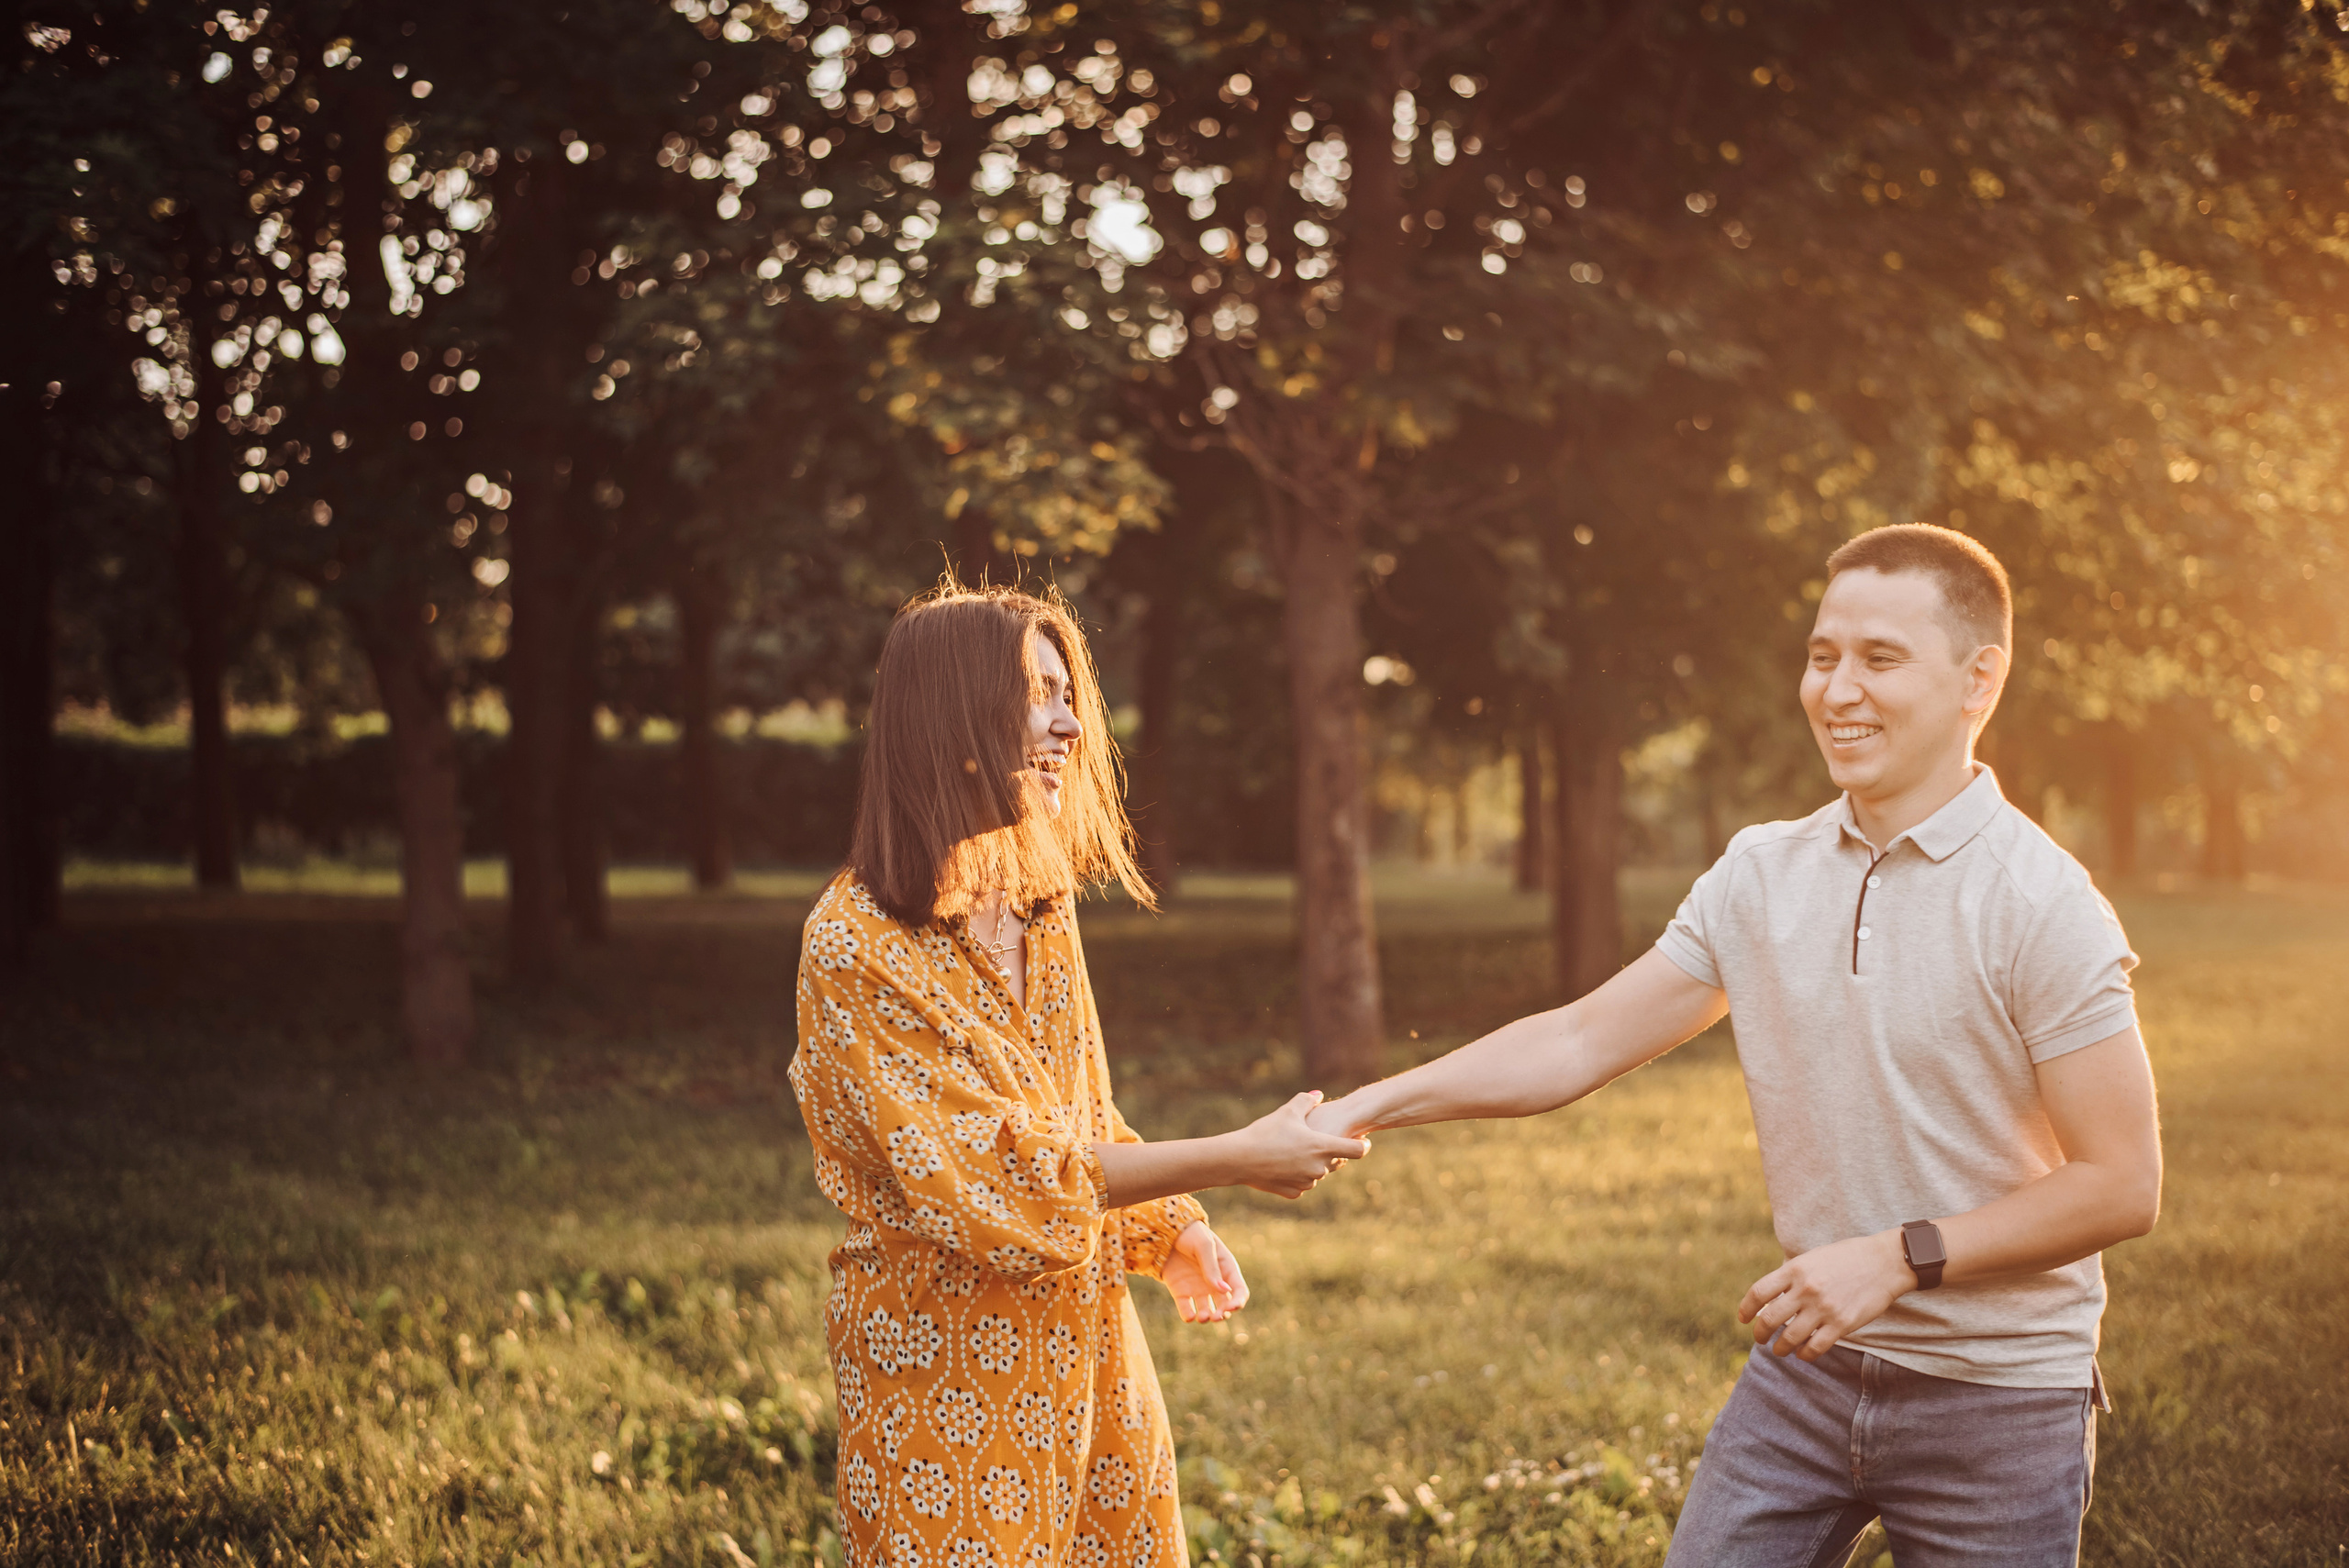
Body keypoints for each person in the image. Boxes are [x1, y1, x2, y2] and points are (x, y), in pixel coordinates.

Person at [1308, 525, 2162, 1566]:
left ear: (1979, 678)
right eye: (1821, 654)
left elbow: (2121, 1182)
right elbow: (1580, 1036)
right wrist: (1366, 1105)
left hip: (1998, 1394)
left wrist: (1899, 1256)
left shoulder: (2041, 903)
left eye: (1879, 658)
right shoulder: (1761, 873)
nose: (1836, 688)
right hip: (1808, 1367)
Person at [791, 583, 1367, 1568]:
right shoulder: (854, 945)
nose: (1068, 722)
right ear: (952, 711)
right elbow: (1000, 1179)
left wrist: (1168, 1222)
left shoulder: (1037, 908)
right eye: (1036, 692)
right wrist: (1237, 1155)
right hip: (945, 1389)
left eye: (1069, 692)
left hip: (1090, 1362)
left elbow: (1078, 1116)